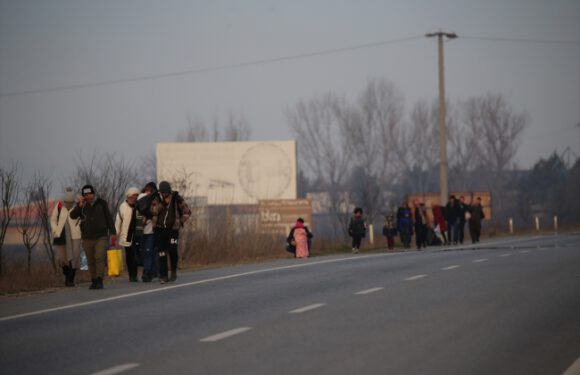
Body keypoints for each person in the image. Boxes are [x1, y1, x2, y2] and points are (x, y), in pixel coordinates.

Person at [69, 184, 116, 290]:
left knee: (99, 257)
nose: (88, 196)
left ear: (93, 194)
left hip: (101, 236)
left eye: (90, 193)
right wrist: (79, 206)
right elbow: (72, 216)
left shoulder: (102, 203)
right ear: (83, 196)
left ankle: (100, 280)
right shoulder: (82, 206)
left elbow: (109, 218)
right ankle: (94, 280)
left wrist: (113, 233)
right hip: (87, 238)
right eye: (86, 194)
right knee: (90, 260)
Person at [151, 181, 191, 283]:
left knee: (173, 251)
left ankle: (173, 270)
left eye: (165, 193)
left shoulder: (177, 198)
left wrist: (180, 222)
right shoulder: (157, 198)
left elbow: (187, 212)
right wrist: (163, 203)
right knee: (162, 253)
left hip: (172, 229)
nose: (164, 195)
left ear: (169, 191)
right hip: (160, 229)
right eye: (162, 193)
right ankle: (163, 275)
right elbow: (154, 211)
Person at [50, 187, 82, 287]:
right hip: (61, 235)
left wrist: (79, 226)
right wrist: (55, 230)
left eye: (71, 202)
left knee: (75, 257)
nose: (69, 204)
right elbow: (53, 220)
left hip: (75, 235)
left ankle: (70, 279)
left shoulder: (78, 207)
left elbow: (82, 218)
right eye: (67, 202)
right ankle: (67, 274)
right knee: (62, 259)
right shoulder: (59, 206)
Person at [115, 187, 141, 282]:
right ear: (129, 196)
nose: (134, 198)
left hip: (137, 235)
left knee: (136, 255)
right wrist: (115, 234)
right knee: (129, 256)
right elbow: (118, 222)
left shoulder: (139, 206)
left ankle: (135, 274)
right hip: (126, 236)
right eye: (133, 196)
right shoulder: (122, 207)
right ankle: (131, 274)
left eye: (136, 196)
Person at [135, 182, 158, 282]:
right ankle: (150, 271)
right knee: (144, 253)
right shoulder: (141, 199)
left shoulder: (155, 200)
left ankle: (147, 272)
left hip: (151, 232)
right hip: (140, 230)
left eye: (149, 191)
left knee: (149, 252)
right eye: (146, 191)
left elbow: (155, 212)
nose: (147, 193)